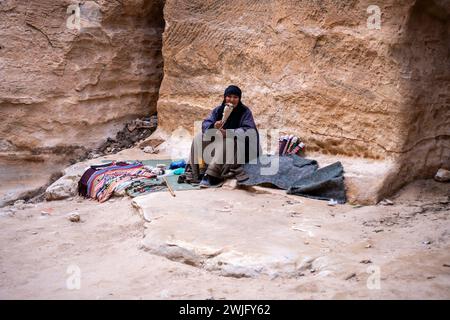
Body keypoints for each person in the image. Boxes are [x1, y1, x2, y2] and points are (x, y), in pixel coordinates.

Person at [185, 85, 260, 187]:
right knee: (199, 137)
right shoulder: (218, 110)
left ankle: (211, 175)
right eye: (229, 96)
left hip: (239, 149)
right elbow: (206, 124)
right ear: (225, 97)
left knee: (228, 140)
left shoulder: (244, 112)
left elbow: (250, 131)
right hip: (219, 147)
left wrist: (229, 133)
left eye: (235, 97)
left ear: (239, 98)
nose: (232, 100)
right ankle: (197, 172)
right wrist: (214, 126)